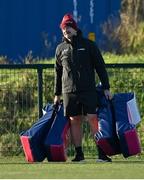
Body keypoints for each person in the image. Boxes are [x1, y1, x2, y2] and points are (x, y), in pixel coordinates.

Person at [54, 13, 112, 162]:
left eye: (68, 28)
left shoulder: (88, 45)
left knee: (93, 118)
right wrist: (57, 94)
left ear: (75, 28)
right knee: (74, 120)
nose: (65, 31)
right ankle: (79, 154)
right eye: (63, 29)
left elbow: (100, 67)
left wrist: (106, 87)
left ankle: (102, 153)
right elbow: (58, 73)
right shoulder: (60, 49)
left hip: (88, 90)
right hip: (69, 91)